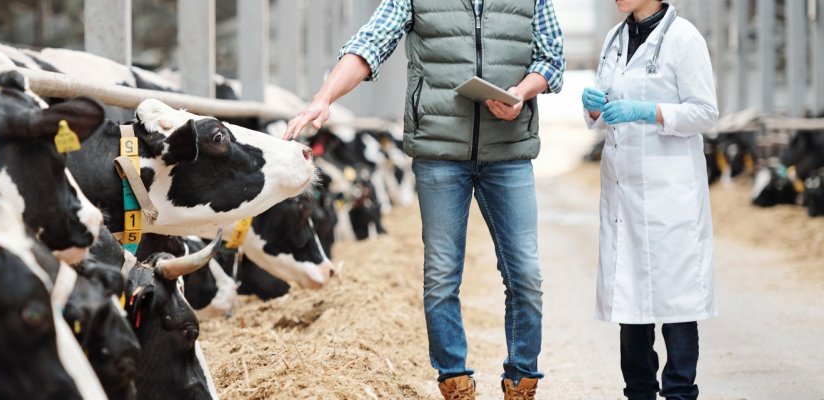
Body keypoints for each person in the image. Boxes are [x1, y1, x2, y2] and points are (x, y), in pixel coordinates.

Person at [284, 1, 564, 399]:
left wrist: (521, 91)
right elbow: (369, 44)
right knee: (441, 275)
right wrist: (324, 97)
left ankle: (522, 381)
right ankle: (455, 381)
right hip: (439, 155)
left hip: (509, 153)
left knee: (525, 275)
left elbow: (552, 58)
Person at [582, 0, 718, 399]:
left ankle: (679, 392)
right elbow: (607, 109)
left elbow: (706, 113)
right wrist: (592, 110)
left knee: (676, 307)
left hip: (669, 193)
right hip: (624, 190)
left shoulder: (684, 38)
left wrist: (651, 112)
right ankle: (638, 392)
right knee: (631, 306)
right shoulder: (614, 38)